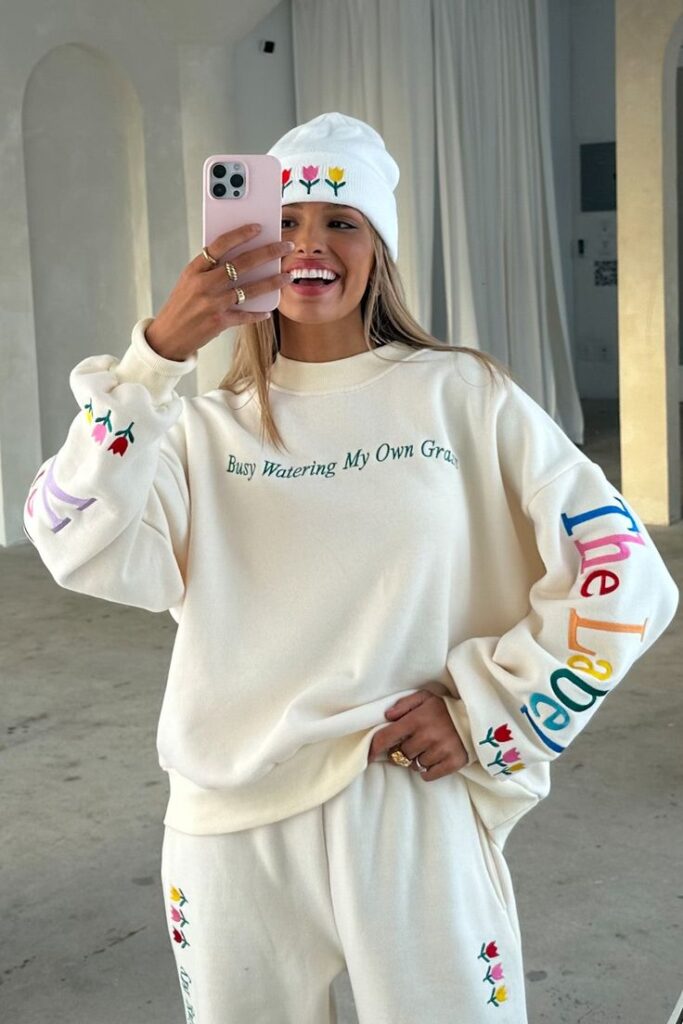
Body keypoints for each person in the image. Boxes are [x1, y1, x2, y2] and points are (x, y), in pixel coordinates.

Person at [23, 111, 678, 1024]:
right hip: (228, 817)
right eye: (283, 220)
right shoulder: (198, 430)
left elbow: (623, 566)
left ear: (378, 250)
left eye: (341, 222)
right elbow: (69, 537)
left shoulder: (463, 395)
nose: (308, 244)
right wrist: (154, 359)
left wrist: (498, 710)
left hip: (406, 798)